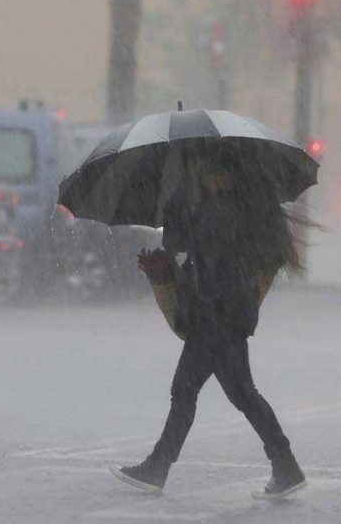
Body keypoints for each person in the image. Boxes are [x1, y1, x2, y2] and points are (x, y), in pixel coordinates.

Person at [110, 145, 306, 499]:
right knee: (240, 394)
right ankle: (285, 465)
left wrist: (182, 198)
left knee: (188, 393)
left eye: (203, 169)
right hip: (225, 314)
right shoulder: (235, 206)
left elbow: (181, 241)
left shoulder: (217, 209)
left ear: (219, 174)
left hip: (214, 317)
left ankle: (158, 467)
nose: (201, 174)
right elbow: (193, 251)